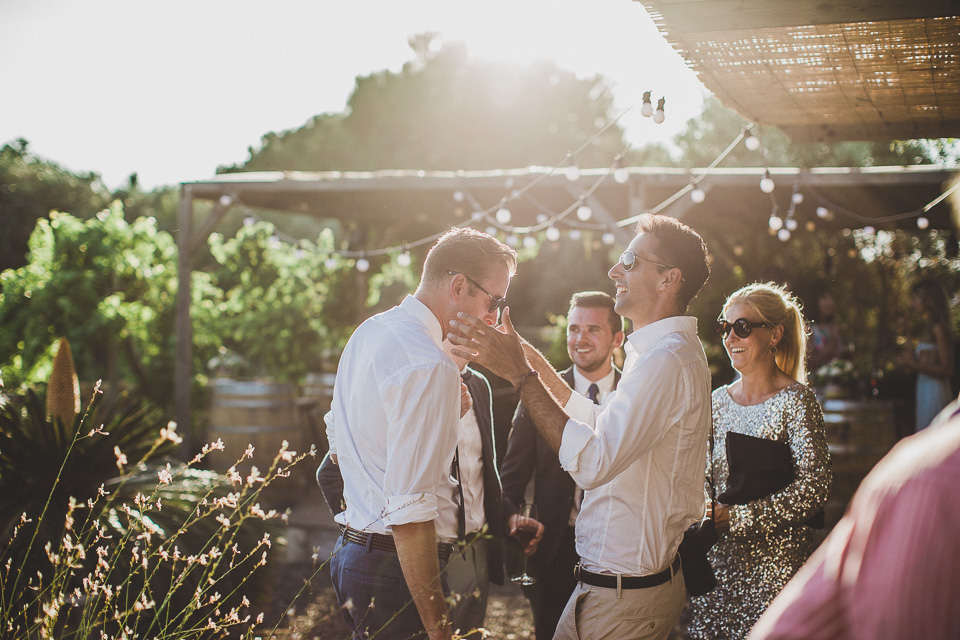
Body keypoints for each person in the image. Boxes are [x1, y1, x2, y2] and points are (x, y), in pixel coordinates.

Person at [449, 213, 712, 640]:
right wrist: (523, 354)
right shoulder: (661, 353)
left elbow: (593, 463)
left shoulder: (665, 361)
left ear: (669, 278)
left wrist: (518, 375)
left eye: (630, 260)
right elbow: (596, 421)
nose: (615, 270)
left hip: (624, 599)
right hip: (616, 590)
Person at [325, 227, 516, 640]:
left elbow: (339, 450)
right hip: (395, 570)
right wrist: (440, 631)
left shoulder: (369, 332)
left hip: (352, 556)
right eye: (494, 301)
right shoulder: (430, 364)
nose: (493, 318)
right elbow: (411, 515)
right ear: (459, 286)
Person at [318, 342, 540, 639]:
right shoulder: (415, 380)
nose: (488, 325)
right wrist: (364, 536)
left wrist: (509, 514)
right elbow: (330, 473)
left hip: (478, 553)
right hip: (427, 556)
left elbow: (480, 471)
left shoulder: (479, 384)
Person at [685, 283, 832, 640]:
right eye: (725, 327)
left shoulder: (797, 401)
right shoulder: (716, 401)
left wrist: (739, 518)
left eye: (743, 327)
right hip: (718, 568)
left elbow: (814, 487)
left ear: (775, 334)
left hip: (777, 570)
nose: (731, 337)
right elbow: (703, 476)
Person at [747, 408, 960, 640]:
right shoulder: (920, 471)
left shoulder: (922, 474)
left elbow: (810, 488)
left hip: (774, 554)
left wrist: (739, 517)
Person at [499, 290, 624, 640]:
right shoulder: (538, 393)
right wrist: (512, 518)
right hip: (555, 551)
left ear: (617, 338)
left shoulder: (634, 395)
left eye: (593, 329)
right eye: (573, 328)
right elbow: (509, 480)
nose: (580, 338)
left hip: (619, 552)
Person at [897, 278, 955, 431]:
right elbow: (915, 361)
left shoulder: (939, 328)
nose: (912, 304)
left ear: (928, 301)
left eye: (915, 299)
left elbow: (948, 369)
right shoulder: (926, 327)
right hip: (923, 388)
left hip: (935, 391)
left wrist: (913, 365)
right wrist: (907, 333)